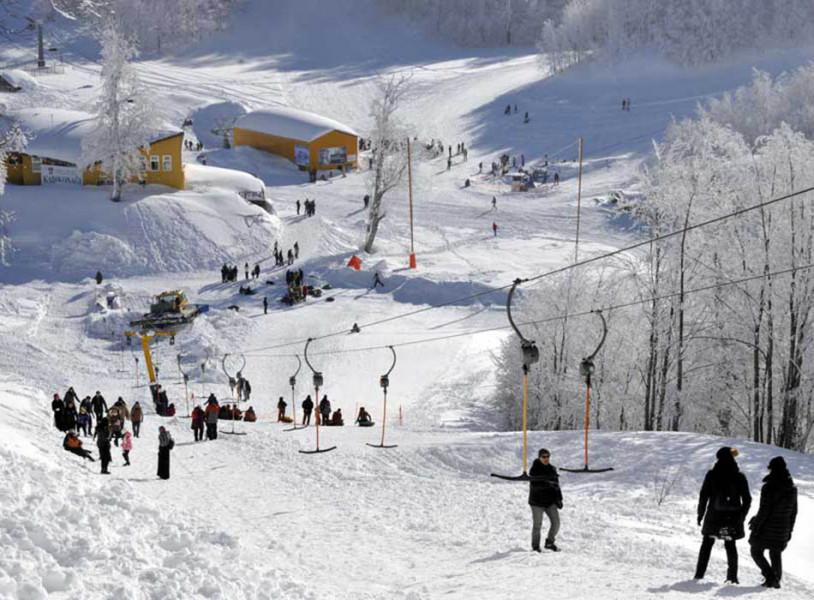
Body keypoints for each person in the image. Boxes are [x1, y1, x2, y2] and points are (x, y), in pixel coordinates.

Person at [694, 447, 752, 584]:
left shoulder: (711, 475)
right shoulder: (739, 476)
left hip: (713, 516)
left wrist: (700, 514)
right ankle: (732, 578)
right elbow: (747, 499)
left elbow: (704, 496)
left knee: (707, 544)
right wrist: (741, 516)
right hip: (732, 518)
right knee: (730, 545)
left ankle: (699, 575)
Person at [749, 456, 798, 588]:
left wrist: (756, 525)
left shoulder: (768, 487)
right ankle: (776, 580)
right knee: (775, 553)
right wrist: (789, 530)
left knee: (755, 551)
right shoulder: (792, 489)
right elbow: (794, 513)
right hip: (783, 528)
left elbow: (764, 510)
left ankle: (771, 577)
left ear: (772, 469)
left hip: (767, 527)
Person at [528, 448, 562, 552]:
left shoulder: (552, 469)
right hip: (537, 502)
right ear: (539, 457)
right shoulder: (534, 470)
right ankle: (535, 546)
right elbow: (535, 485)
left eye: (548, 456)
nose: (546, 458)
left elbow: (557, 486)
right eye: (543, 457)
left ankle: (550, 542)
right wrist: (547, 483)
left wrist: (559, 499)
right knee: (537, 525)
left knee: (556, 523)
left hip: (550, 502)